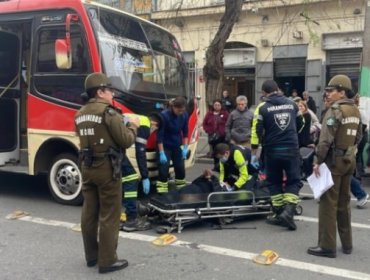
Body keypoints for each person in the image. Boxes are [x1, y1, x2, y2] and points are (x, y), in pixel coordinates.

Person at [74, 73, 138, 274]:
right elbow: (125, 140)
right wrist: (133, 127)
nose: (112, 94)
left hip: (87, 167)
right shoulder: (109, 113)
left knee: (89, 212)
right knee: (110, 214)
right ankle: (108, 260)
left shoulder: (80, 114)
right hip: (107, 168)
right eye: (109, 90)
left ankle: (91, 256)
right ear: (100, 92)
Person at [307, 74, 362, 258]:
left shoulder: (335, 110)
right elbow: (359, 136)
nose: (327, 94)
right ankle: (347, 245)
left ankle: (327, 246)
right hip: (349, 161)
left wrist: (317, 161)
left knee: (328, 204)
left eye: (331, 91)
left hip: (333, 162)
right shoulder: (354, 110)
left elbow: (324, 141)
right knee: (344, 204)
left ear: (342, 92)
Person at [251, 80, 303, 230]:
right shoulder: (292, 104)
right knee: (293, 181)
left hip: (272, 150)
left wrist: (254, 153)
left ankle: (280, 213)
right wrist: (292, 136)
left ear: (264, 93)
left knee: (274, 182)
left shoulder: (262, 107)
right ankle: (287, 213)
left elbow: (256, 132)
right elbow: (301, 124)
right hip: (291, 149)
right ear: (278, 89)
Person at [120, 113, 158, 232]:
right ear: (154, 125)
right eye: (154, 131)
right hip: (113, 150)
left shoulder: (138, 118)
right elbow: (140, 152)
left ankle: (111, 217)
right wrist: (145, 176)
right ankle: (131, 220)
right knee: (131, 178)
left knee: (115, 181)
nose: (152, 133)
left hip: (105, 147)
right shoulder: (145, 125)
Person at [156, 96, 189, 193]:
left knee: (180, 169)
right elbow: (160, 136)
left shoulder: (184, 115)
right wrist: (161, 153)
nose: (181, 113)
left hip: (176, 146)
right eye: (179, 110)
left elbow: (185, 133)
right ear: (173, 107)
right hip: (164, 146)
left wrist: (185, 148)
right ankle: (162, 192)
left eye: (183, 110)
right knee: (163, 169)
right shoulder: (164, 116)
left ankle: (181, 190)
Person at [202, 99, 229, 171]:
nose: (217, 106)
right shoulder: (209, 113)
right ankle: (216, 166)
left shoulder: (225, 113)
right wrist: (208, 130)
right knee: (215, 152)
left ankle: (224, 166)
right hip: (213, 136)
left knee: (223, 152)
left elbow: (228, 123)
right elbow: (204, 123)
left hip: (222, 136)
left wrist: (225, 131)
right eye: (215, 105)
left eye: (218, 105)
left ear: (221, 106)